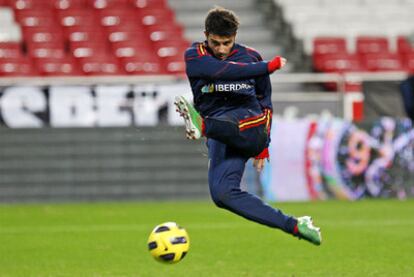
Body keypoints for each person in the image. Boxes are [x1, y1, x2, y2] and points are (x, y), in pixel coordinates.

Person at [175, 7, 322, 245]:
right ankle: (295, 224)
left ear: (235, 37)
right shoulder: (195, 55)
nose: (221, 50)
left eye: (227, 43)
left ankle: (202, 125)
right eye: (216, 43)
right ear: (205, 35)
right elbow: (221, 72)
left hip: (247, 118)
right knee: (222, 195)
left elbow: (266, 103)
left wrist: (265, 147)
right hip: (220, 129)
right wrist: (267, 67)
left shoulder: (251, 56)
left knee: (249, 126)